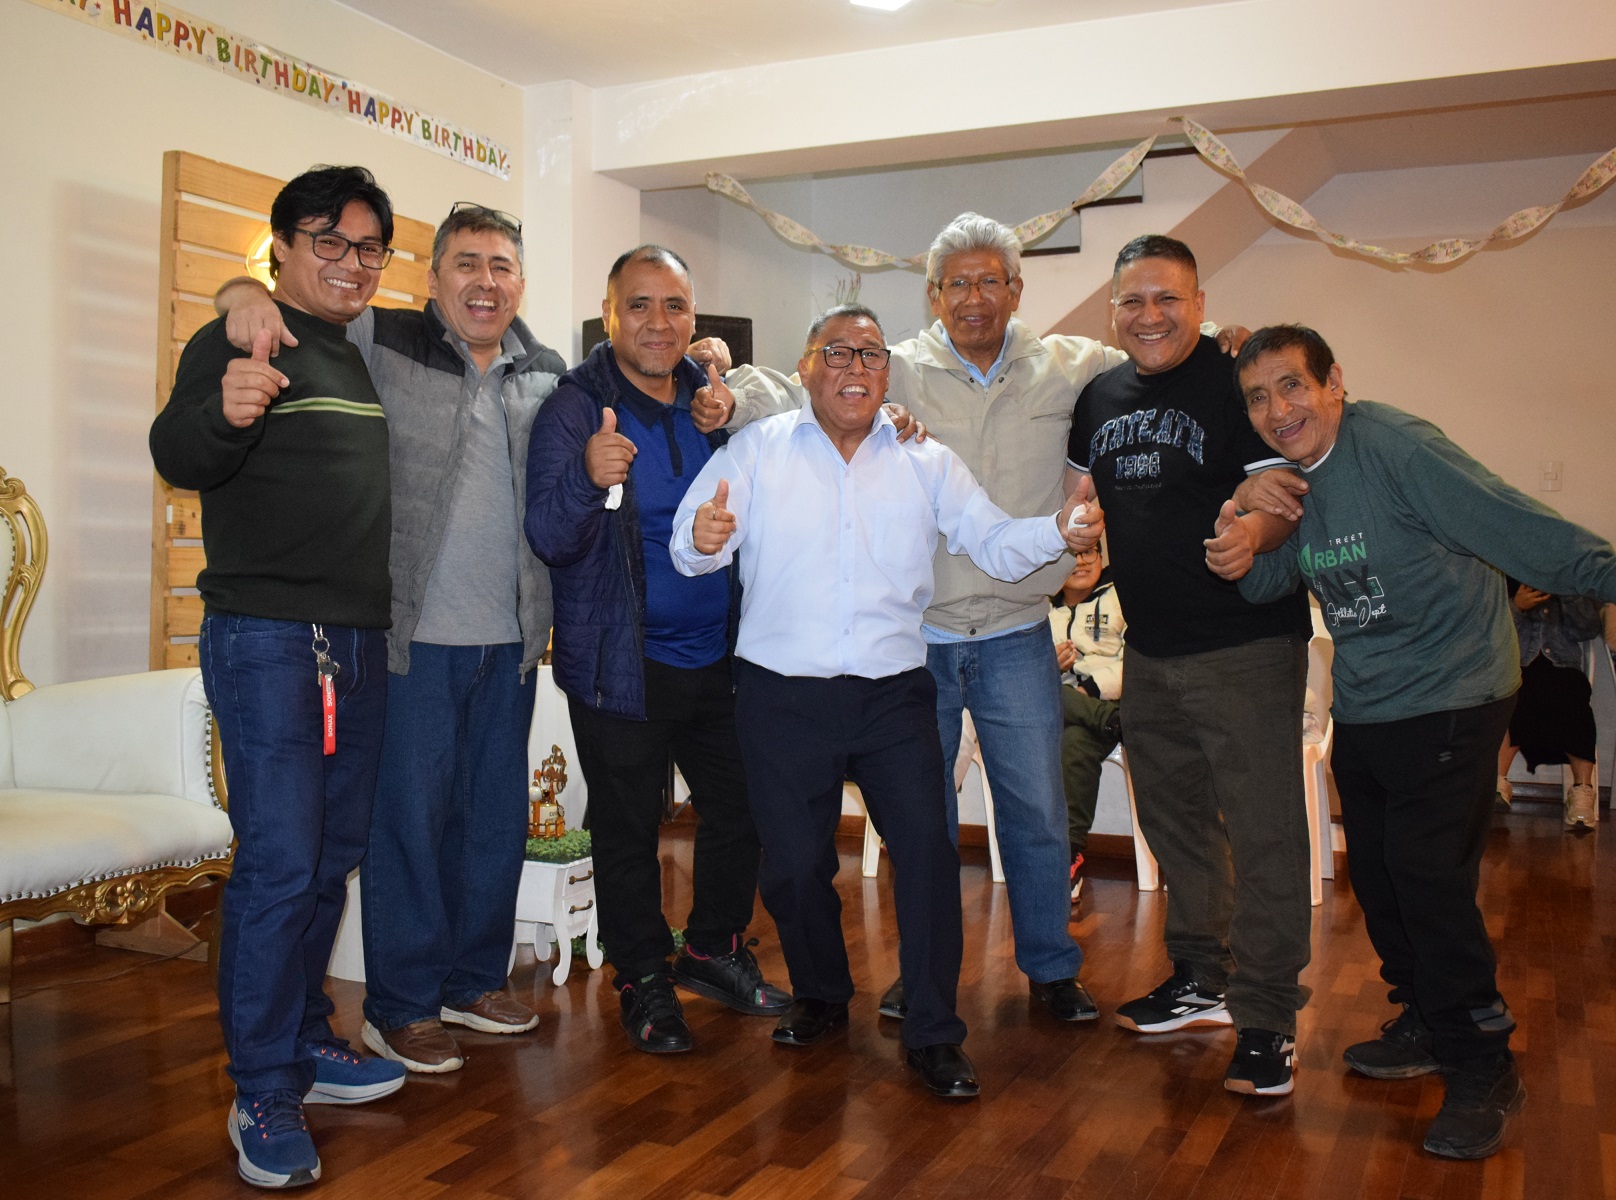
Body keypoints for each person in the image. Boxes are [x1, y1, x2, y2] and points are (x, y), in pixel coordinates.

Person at [722, 212, 1226, 1024]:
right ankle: (922, 981)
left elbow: (1156, 356)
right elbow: (796, 387)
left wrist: (1228, 349)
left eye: (991, 281)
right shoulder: (894, 369)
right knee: (920, 827)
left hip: (1018, 631)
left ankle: (1051, 969)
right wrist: (724, 387)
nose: (974, 297)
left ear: (1016, 290)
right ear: (935, 295)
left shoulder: (1072, 366)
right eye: (957, 283)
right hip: (918, 641)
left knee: (1037, 813)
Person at [670, 304, 1102, 1098]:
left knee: (929, 858)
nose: (855, 368)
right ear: (807, 367)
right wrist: (700, 540)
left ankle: (934, 1031)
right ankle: (823, 992)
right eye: (837, 352)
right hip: (779, 694)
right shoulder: (757, 450)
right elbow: (691, 541)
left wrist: (1059, 529)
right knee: (793, 867)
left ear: (887, 376)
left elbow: (991, 539)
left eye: (871, 355)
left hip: (895, 696)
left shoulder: (923, 458)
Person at [1216, 323, 1616, 1159]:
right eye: (1257, 397)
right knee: (1381, 879)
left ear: (1334, 382)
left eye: (1292, 386)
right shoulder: (1293, 478)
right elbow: (1274, 581)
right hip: (1370, 703)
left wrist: (1607, 571)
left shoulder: (1398, 448)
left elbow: (1514, 524)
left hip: (1456, 691)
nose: (1277, 409)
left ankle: (1482, 1060)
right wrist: (1241, 538)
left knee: (1428, 881)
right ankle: (1426, 1019)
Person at [215, 203, 567, 1074]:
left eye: (502, 266)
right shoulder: (384, 339)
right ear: (432, 277)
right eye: (466, 263)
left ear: (521, 283)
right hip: (408, 639)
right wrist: (239, 293)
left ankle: (470, 981)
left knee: (490, 824)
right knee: (407, 825)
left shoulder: (544, 371)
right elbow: (292, 311)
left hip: (511, 643)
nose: (485, 281)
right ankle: (401, 1006)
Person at [150, 165, 406, 1190]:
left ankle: (303, 1040)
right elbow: (178, 451)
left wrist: (239, 290)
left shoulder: (357, 347)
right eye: (328, 241)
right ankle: (260, 1085)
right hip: (265, 638)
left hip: (355, 641)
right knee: (279, 862)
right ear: (285, 246)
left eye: (368, 247)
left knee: (331, 854)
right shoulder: (237, 338)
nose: (350, 263)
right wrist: (228, 406)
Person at [524, 245, 790, 1055]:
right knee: (628, 829)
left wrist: (731, 397)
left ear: (693, 319)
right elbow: (548, 536)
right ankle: (642, 975)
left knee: (742, 806)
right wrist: (587, 475)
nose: (657, 322)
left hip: (719, 656)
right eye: (638, 305)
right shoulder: (575, 408)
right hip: (620, 662)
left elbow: (793, 421)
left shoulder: (712, 403)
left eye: (674, 306)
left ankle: (710, 951)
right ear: (609, 315)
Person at [1066, 234, 1311, 1099]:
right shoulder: (1099, 397)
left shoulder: (1237, 380)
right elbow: (1079, 501)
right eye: (1133, 300)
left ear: (1200, 305)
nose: (1151, 315)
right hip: (1151, 649)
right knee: (1176, 827)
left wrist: (1254, 537)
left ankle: (1268, 1017)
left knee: (1265, 832)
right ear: (1113, 311)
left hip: (1246, 646)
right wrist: (1075, 549)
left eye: (1168, 297)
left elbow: (1283, 492)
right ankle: (1203, 976)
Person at [1048, 549, 1124, 902]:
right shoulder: (1040, 610)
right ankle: (1113, 724)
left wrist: (1092, 688)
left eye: (1088, 553)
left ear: (1101, 555)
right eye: (1071, 554)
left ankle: (1069, 853)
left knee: (1074, 736)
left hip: (1111, 698)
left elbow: (1138, 658)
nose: (1080, 562)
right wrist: (1051, 666)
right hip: (1065, 707)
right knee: (1049, 698)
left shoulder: (1121, 597)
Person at [1496, 580, 1603, 829]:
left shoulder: (1571, 579)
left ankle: (1582, 790)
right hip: (1518, 666)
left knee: (1574, 698)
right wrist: (1517, 607)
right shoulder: (1504, 579)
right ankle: (1498, 783)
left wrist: (1567, 594)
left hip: (1563, 668)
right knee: (1511, 696)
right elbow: (1494, 631)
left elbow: (1587, 630)